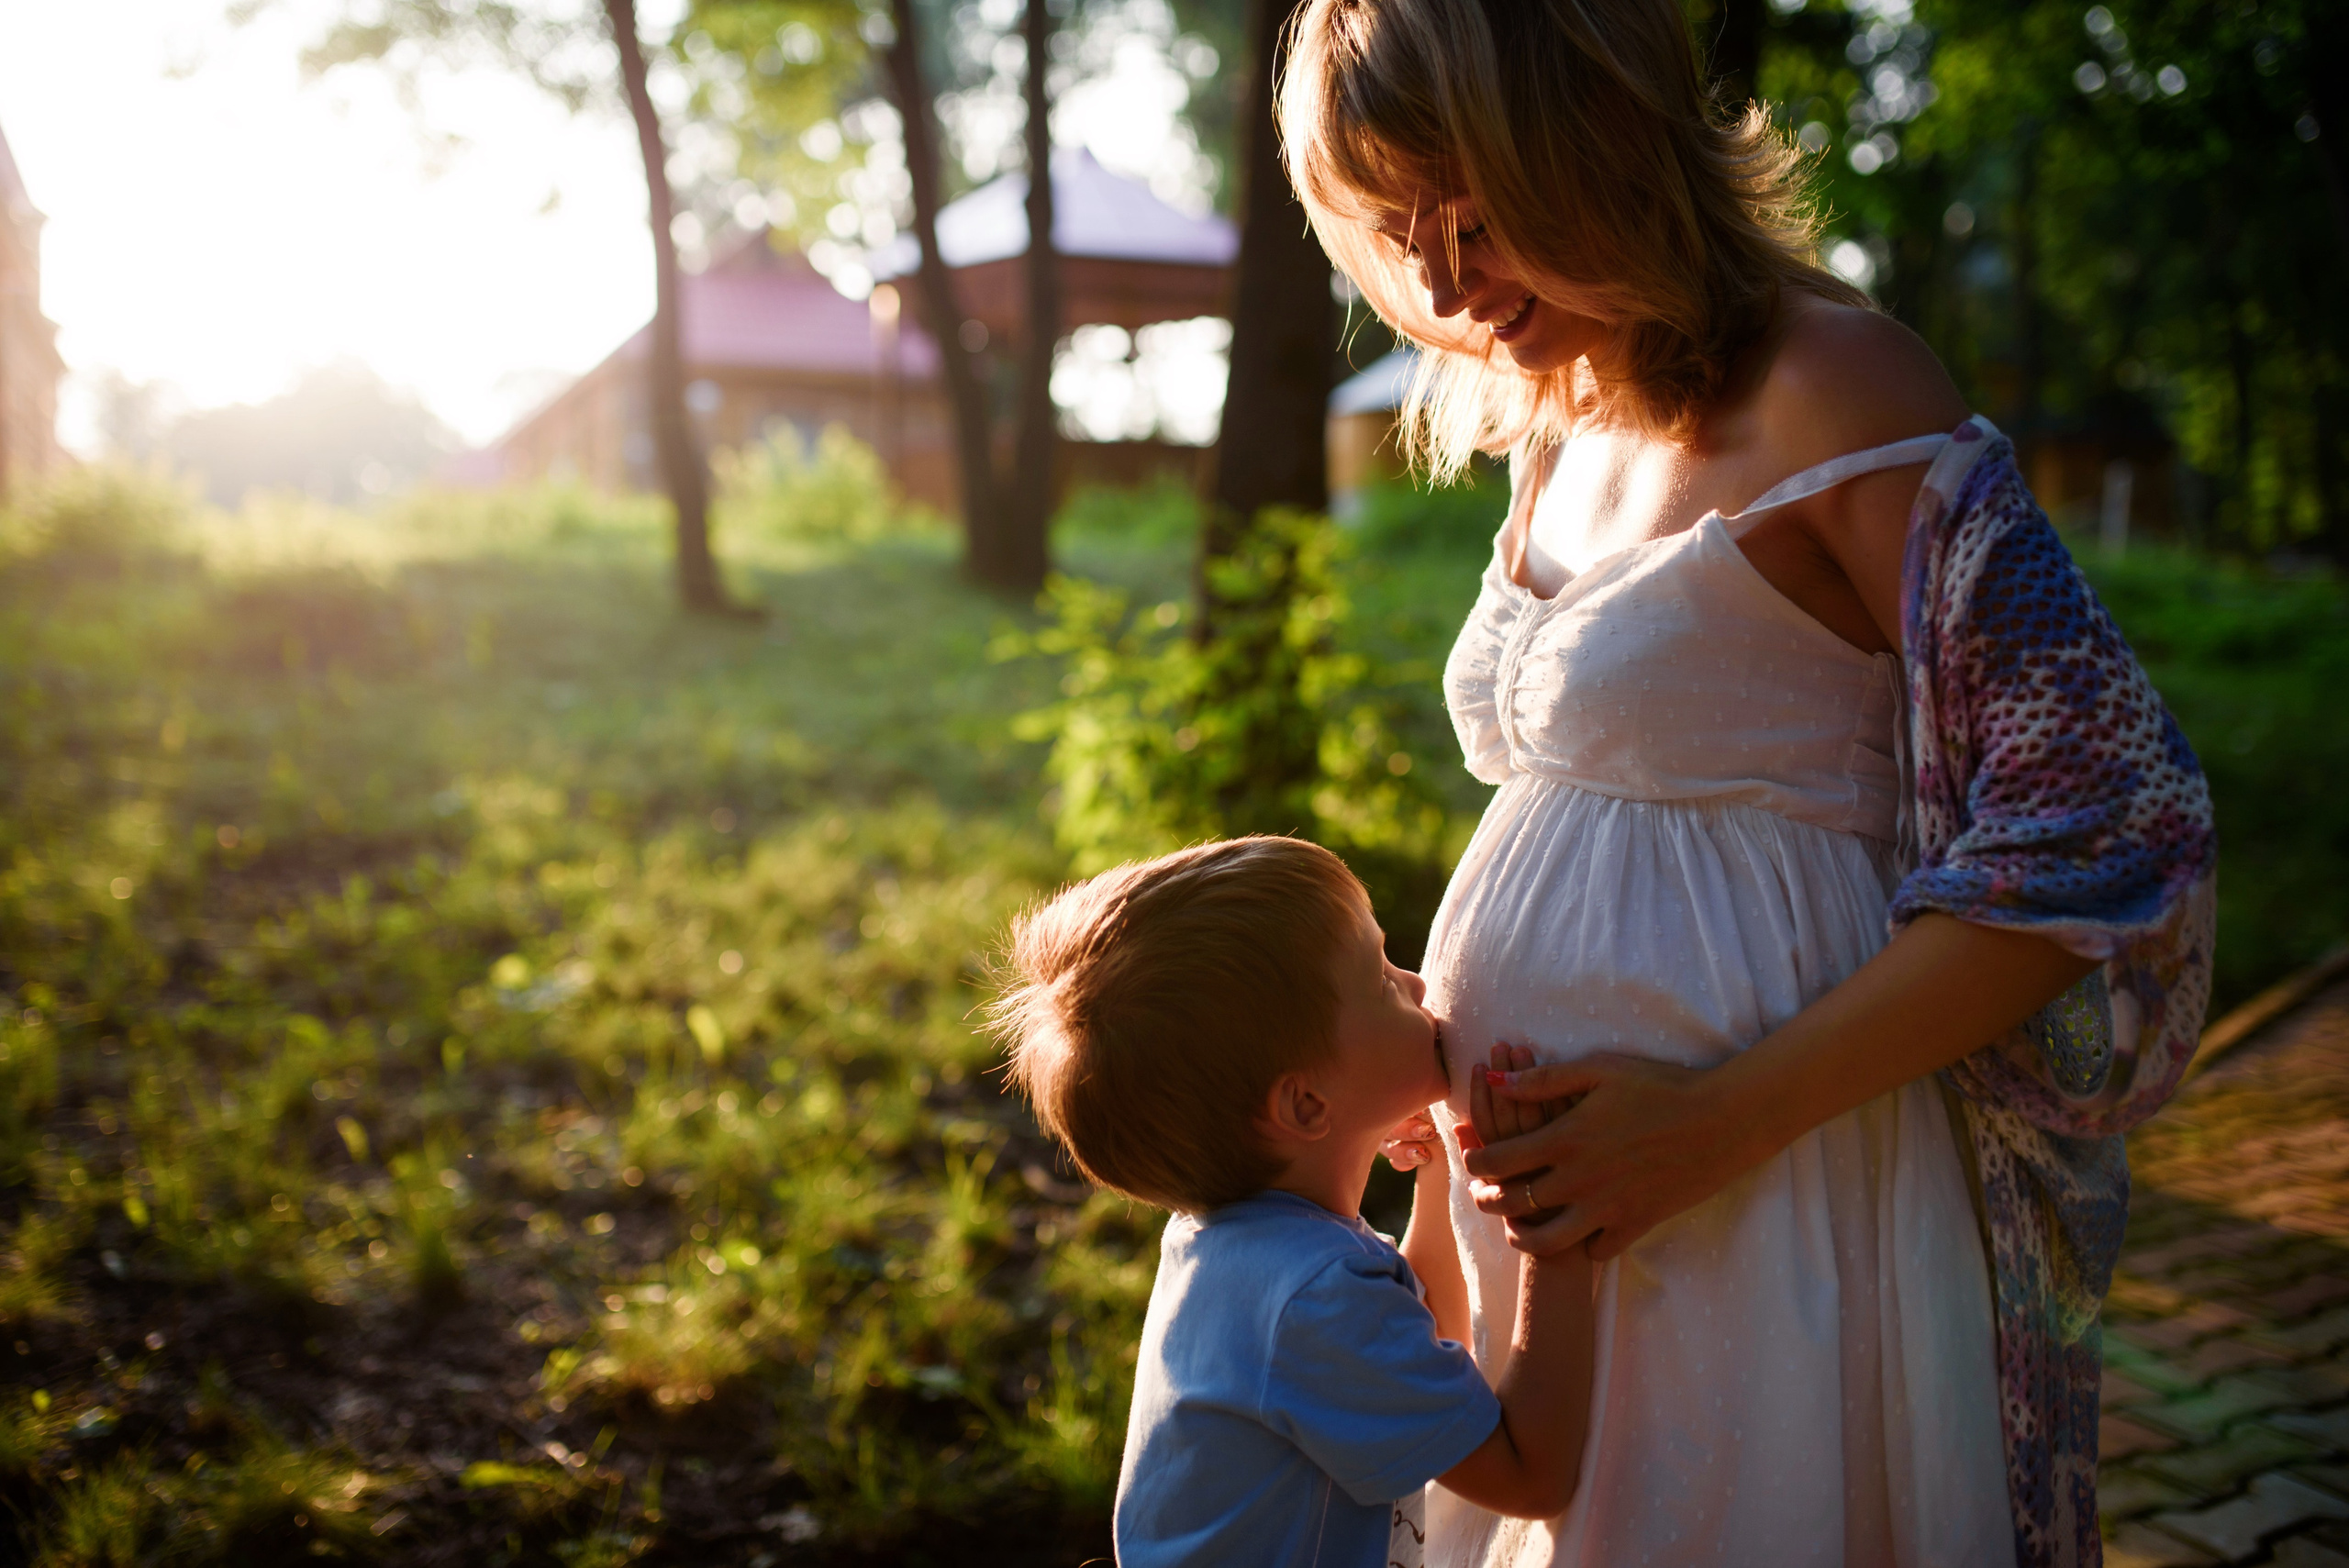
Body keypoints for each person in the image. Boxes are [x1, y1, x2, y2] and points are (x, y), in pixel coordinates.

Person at [1277, 3, 2217, 1566]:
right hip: (1566, 1221)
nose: (1436, 283)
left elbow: (2107, 828)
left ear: (1597, 134)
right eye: (1396, 228)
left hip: (1776, 1199)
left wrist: (1711, 1122)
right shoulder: (1556, 416)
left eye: (1475, 211)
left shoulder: (1842, 388)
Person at [991, 835, 1598, 1568]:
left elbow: (1412, 1342)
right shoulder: (1312, 1299)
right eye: (1379, 977)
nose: (1417, 985)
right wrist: (1550, 1221)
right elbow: (1530, 1471)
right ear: (1308, 1103)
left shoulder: (1241, 1247)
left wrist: (1440, 1173)